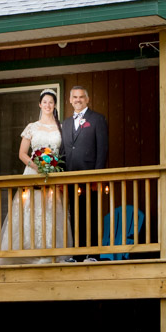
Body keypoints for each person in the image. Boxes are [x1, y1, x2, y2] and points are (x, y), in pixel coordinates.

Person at [0, 90, 68, 266]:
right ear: (40, 105)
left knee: (50, 210)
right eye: (45, 102)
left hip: (52, 174)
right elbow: (22, 153)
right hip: (33, 173)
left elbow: (64, 151)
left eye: (51, 102)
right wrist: (37, 166)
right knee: (30, 209)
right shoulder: (32, 127)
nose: (48, 105)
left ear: (55, 105)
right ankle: (27, 248)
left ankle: (50, 249)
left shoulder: (62, 128)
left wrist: (52, 166)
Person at [60, 85, 109, 249]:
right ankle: (77, 254)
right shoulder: (65, 124)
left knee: (92, 215)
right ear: (70, 101)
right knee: (74, 216)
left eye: (81, 97)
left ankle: (93, 254)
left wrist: (97, 177)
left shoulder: (97, 119)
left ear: (87, 99)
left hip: (90, 178)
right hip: (70, 178)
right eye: (75, 97)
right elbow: (63, 151)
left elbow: (102, 149)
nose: (78, 100)